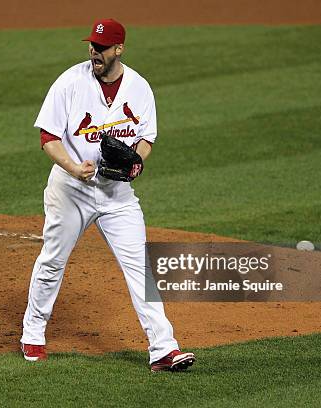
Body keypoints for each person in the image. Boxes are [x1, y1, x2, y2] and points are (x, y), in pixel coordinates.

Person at [20, 18, 195, 372]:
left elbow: (146, 138)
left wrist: (135, 165)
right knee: (53, 260)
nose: (94, 51)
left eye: (101, 47)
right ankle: (33, 332)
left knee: (139, 268)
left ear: (119, 49)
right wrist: (72, 167)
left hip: (117, 194)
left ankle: (163, 349)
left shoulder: (139, 87)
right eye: (92, 45)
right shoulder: (70, 82)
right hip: (71, 191)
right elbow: (47, 139)